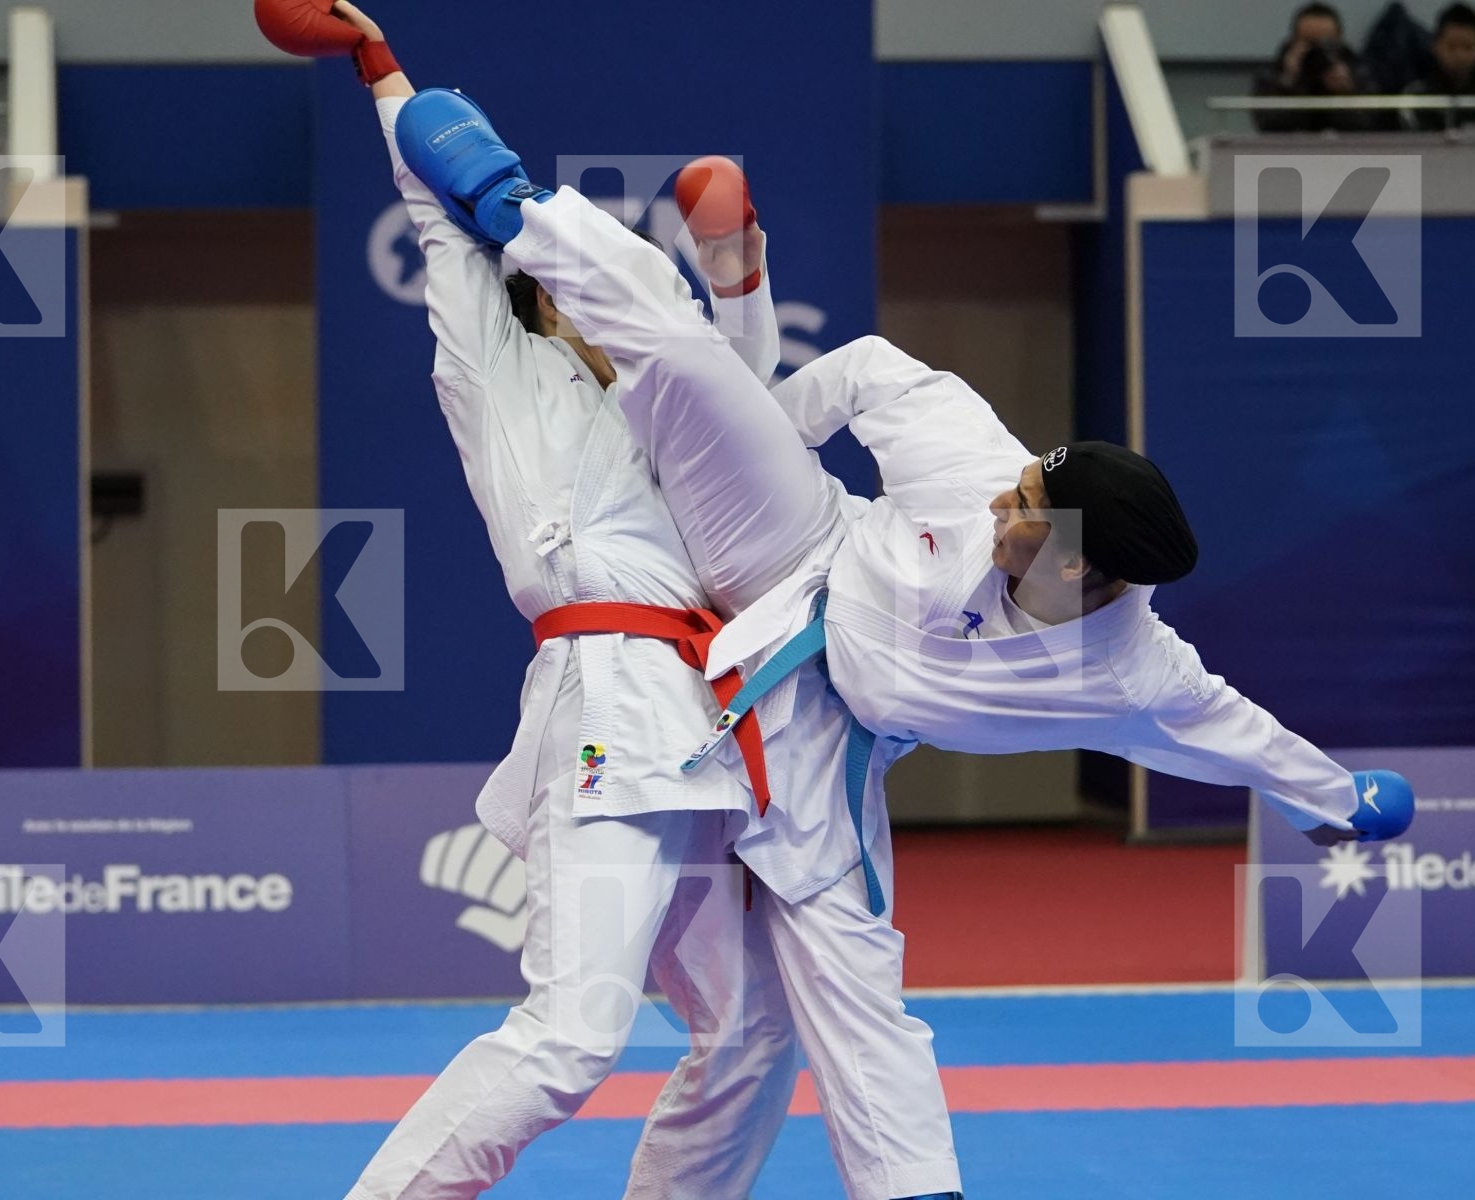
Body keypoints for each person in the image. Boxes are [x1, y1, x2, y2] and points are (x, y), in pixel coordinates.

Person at [282, 4, 966, 1197]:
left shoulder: (667, 413)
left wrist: (740, 270)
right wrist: (383, 71)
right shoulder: (501, 377)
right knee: (568, 1041)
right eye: (577, 294)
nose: (603, 311)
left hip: (714, 716)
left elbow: (739, 391)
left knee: (754, 1032)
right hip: (606, 699)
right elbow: (448, 235)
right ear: (546, 304)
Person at [394, 90, 1418, 875]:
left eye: (1021, 508)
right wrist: (760, 433)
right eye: (1014, 482)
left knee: (827, 1004)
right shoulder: (970, 455)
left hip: (835, 717)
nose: (996, 501)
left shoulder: (1137, 671)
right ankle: (516, 203)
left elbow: (1241, 737)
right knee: (688, 362)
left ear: (1074, 558)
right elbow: (872, 369)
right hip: (798, 544)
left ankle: (734, 292)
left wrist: (1332, 801)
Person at [1250, 2, 1390, 133]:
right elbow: (1269, 127)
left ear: (1339, 40)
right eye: (1309, 42)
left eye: (1325, 43)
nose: (1317, 50)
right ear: (1294, 40)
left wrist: (1345, 93)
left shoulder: (1360, 72)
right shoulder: (1272, 75)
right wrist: (1289, 83)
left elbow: (1369, 128)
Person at [1403, 3, 1475, 130]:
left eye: (1468, 47)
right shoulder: (1418, 97)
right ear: (1436, 46)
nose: (1460, 56)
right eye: (1452, 47)